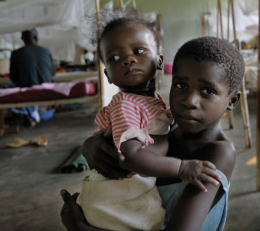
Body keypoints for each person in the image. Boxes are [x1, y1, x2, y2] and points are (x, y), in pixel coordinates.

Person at [60, 36, 245, 231]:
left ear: (232, 100)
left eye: (207, 90)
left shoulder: (219, 154)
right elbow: (118, 154)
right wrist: (91, 146)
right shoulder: (165, 128)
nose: (189, 101)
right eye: (181, 85)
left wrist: (81, 228)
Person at [9, 28, 56, 127]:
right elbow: (52, 73)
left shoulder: (16, 54)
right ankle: (31, 111)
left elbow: (13, 77)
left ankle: (29, 112)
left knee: (11, 87)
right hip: (47, 87)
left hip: (27, 88)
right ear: (36, 37)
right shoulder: (46, 51)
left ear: (22, 38)